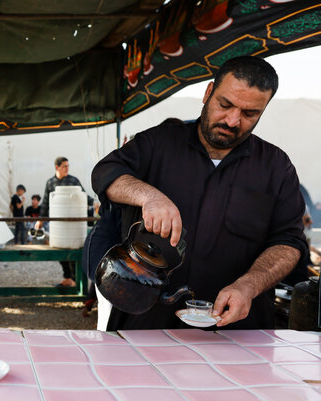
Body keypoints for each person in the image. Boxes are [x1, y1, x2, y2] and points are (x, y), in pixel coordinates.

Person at [91, 56, 307, 330]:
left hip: (236, 329)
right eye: (225, 104)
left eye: (249, 113)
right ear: (208, 93)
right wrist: (148, 195)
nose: (232, 120)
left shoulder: (276, 167)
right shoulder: (160, 142)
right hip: (146, 322)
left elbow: (289, 243)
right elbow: (105, 173)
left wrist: (249, 286)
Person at [36, 156, 93, 287]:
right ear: (57, 167)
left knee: (73, 250)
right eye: (64, 166)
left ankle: (74, 279)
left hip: (73, 222)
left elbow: (83, 196)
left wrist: (94, 203)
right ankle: (67, 277)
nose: (67, 168)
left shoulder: (73, 180)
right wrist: (40, 220)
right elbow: (45, 203)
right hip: (58, 223)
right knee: (59, 249)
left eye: (68, 166)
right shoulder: (50, 183)